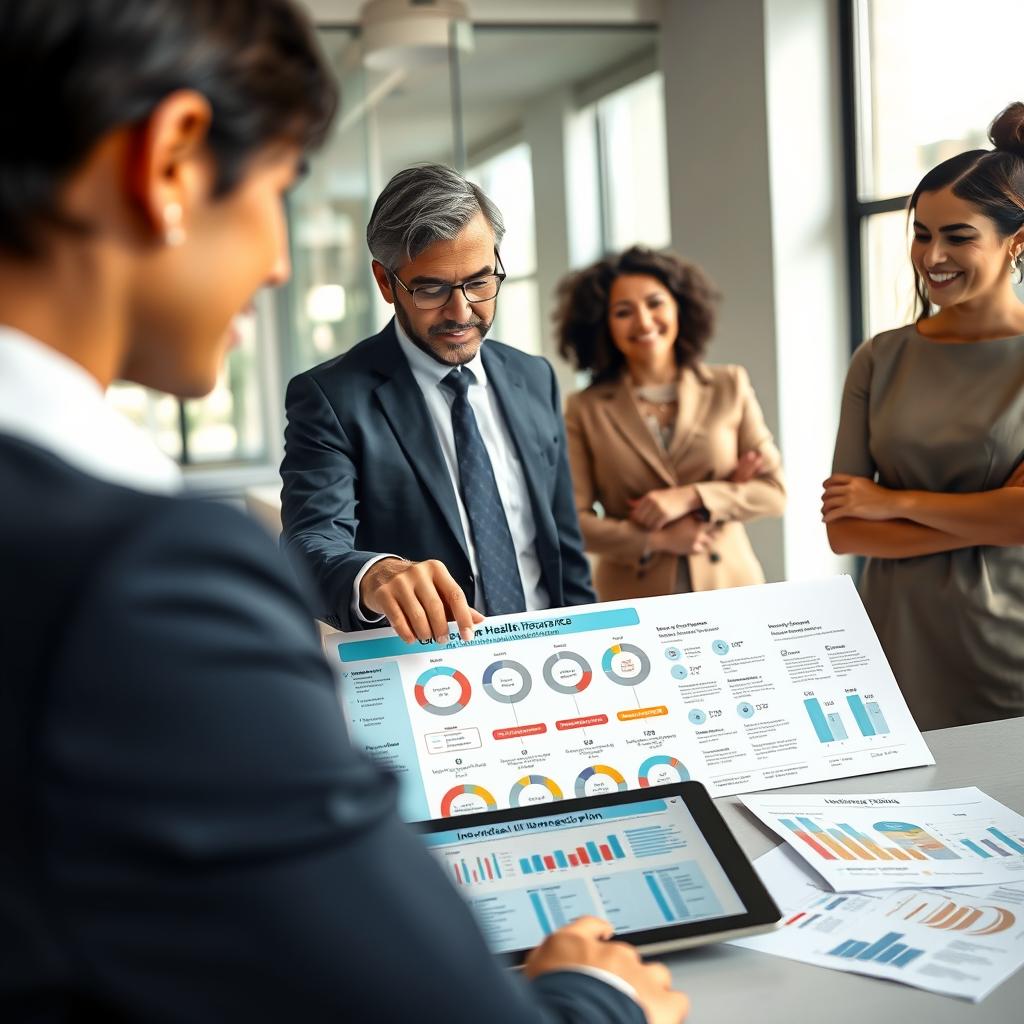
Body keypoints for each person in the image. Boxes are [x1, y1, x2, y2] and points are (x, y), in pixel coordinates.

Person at [0, 3, 688, 1022]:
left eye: (481, 281)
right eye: (278, 186)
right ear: (170, 162)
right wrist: (598, 998)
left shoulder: (532, 378)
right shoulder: (148, 578)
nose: (279, 261)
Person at [280, 164, 595, 642]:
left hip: (551, 657)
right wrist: (376, 573)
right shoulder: (331, 398)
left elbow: (564, 551)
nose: (461, 312)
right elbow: (309, 544)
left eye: (480, 282)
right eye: (432, 289)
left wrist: (590, 642)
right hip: (428, 668)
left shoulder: (535, 377)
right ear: (386, 282)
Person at [824, 102, 1024, 731]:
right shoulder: (880, 357)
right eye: (921, 233)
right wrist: (990, 517)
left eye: (958, 236)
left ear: (1016, 242)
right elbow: (845, 531)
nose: (932, 255)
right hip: (890, 645)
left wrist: (891, 502)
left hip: (1007, 648)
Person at [555, 246, 785, 603]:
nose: (644, 322)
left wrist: (693, 497)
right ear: (602, 324)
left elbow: (773, 493)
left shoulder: (729, 385)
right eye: (623, 312)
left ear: (680, 306)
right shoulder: (584, 408)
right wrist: (657, 539)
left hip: (731, 588)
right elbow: (572, 522)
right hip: (632, 598)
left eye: (655, 303)